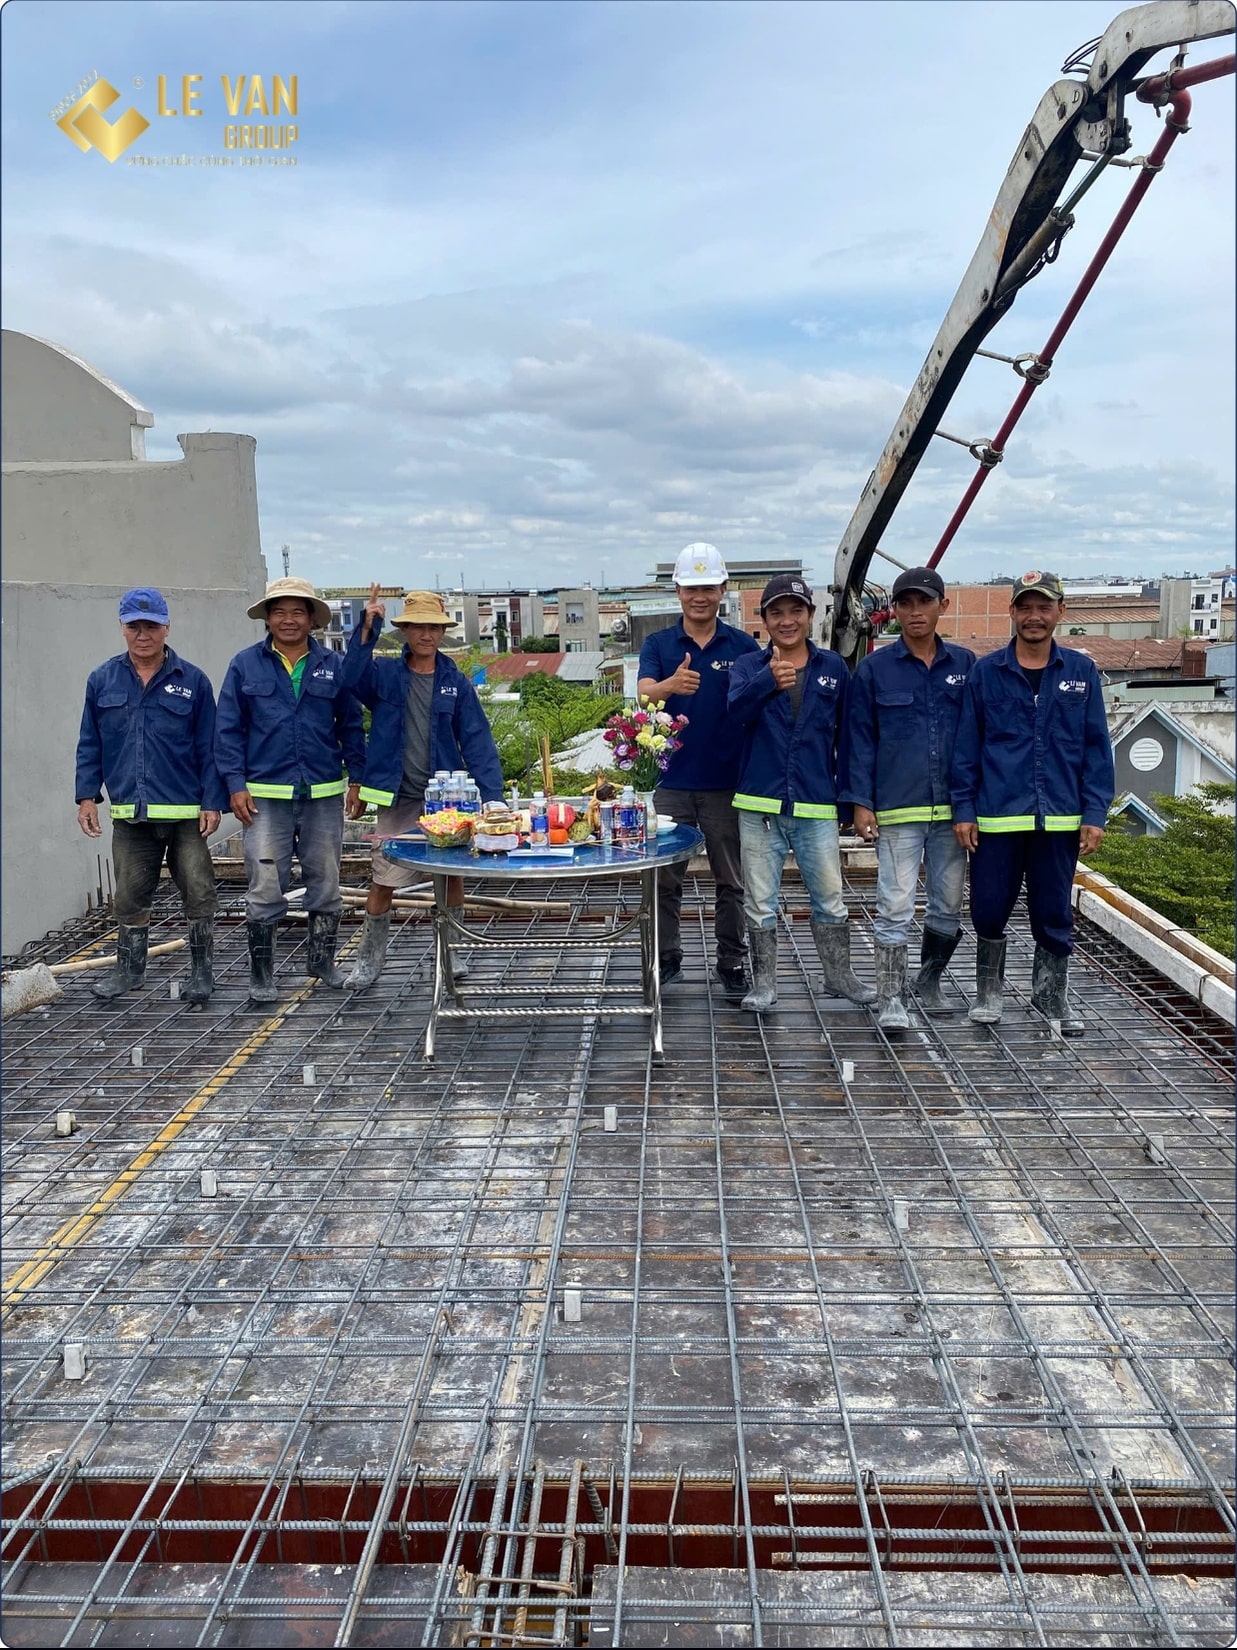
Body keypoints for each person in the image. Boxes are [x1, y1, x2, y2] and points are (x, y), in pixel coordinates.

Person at [951, 570, 1115, 1034]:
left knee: (1053, 911)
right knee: (988, 907)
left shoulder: (1080, 673)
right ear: (1012, 613)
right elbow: (967, 747)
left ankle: (1050, 996)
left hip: (1060, 818)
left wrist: (1094, 812)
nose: (1034, 617)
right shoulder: (987, 673)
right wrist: (964, 809)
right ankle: (989, 993)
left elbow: (1096, 748)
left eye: (1044, 607)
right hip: (998, 817)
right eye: (1025, 608)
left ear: (1060, 611)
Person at [341, 587, 505, 990]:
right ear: (405, 631)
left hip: (447, 800)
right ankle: (368, 960)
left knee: (450, 877)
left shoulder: (455, 682)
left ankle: (452, 952)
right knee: (384, 877)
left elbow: (477, 742)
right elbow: (350, 678)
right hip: (397, 795)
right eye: (418, 627)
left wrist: (493, 797)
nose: (426, 635)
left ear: (443, 632)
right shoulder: (384, 675)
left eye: (433, 628)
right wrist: (367, 627)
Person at [727, 574, 876, 1013]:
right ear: (764, 620)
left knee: (830, 896)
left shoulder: (833, 668)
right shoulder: (747, 667)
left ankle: (838, 976)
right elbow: (734, 715)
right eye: (776, 613)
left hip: (815, 803)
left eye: (796, 611)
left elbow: (849, 738)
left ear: (811, 615)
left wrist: (853, 801)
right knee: (760, 901)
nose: (787, 620)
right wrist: (767, 682)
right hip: (759, 805)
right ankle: (764, 984)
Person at [215, 576, 366, 1005]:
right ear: (267, 618)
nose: (288, 620)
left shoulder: (333, 665)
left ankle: (322, 962)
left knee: (326, 881)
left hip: (322, 792)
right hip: (265, 796)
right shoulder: (245, 665)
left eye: (297, 611)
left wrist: (357, 780)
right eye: (279, 611)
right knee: (265, 884)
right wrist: (235, 785)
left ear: (311, 619)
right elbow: (227, 730)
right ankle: (262, 975)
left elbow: (351, 725)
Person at [75, 587, 225, 1003]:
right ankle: (129, 972)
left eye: (152, 626)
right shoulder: (102, 679)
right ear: (122, 628)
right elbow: (90, 742)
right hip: (131, 815)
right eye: (134, 626)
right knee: (128, 895)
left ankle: (201, 973)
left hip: (185, 814)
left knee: (199, 891)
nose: (143, 635)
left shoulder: (192, 681)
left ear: (166, 628)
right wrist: (86, 796)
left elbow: (210, 747)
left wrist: (212, 802)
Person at [845, 567, 975, 1028]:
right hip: (899, 808)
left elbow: (977, 738)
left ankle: (929, 982)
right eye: (905, 603)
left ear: (943, 606)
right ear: (894, 611)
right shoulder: (875, 669)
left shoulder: (966, 666)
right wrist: (861, 802)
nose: (915, 612)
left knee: (948, 902)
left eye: (924, 602)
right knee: (895, 905)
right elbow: (859, 740)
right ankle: (891, 998)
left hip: (954, 811)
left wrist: (972, 805)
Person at [636, 543, 761, 995]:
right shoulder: (659, 644)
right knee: (664, 879)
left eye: (708, 587)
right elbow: (643, 694)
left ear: (723, 589)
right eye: (691, 588)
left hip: (727, 782)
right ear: (678, 591)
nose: (700, 596)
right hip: (671, 782)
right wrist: (671, 685)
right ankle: (666, 959)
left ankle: (732, 961)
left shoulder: (743, 645)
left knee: (732, 881)